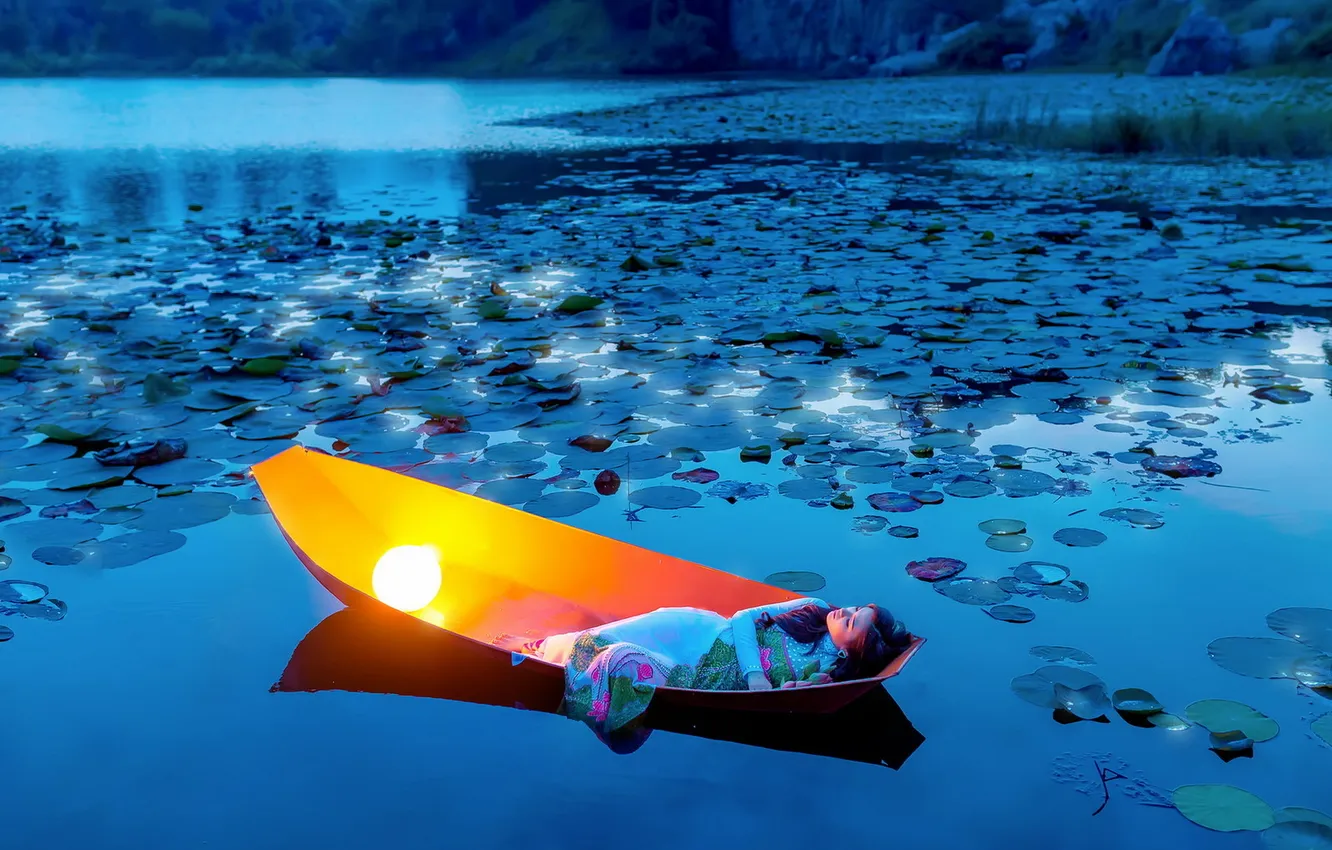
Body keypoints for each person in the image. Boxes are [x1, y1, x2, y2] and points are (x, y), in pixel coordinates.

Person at [494, 598, 913, 746]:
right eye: (859, 608)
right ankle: (539, 648)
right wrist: (753, 672)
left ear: (855, 650)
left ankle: (590, 691)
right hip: (703, 634)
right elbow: (743, 618)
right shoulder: (816, 606)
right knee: (619, 630)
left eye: (855, 621)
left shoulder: (825, 670)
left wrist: (789, 685)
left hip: (704, 677)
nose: (849, 612)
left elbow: (797, 691)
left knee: (619, 657)